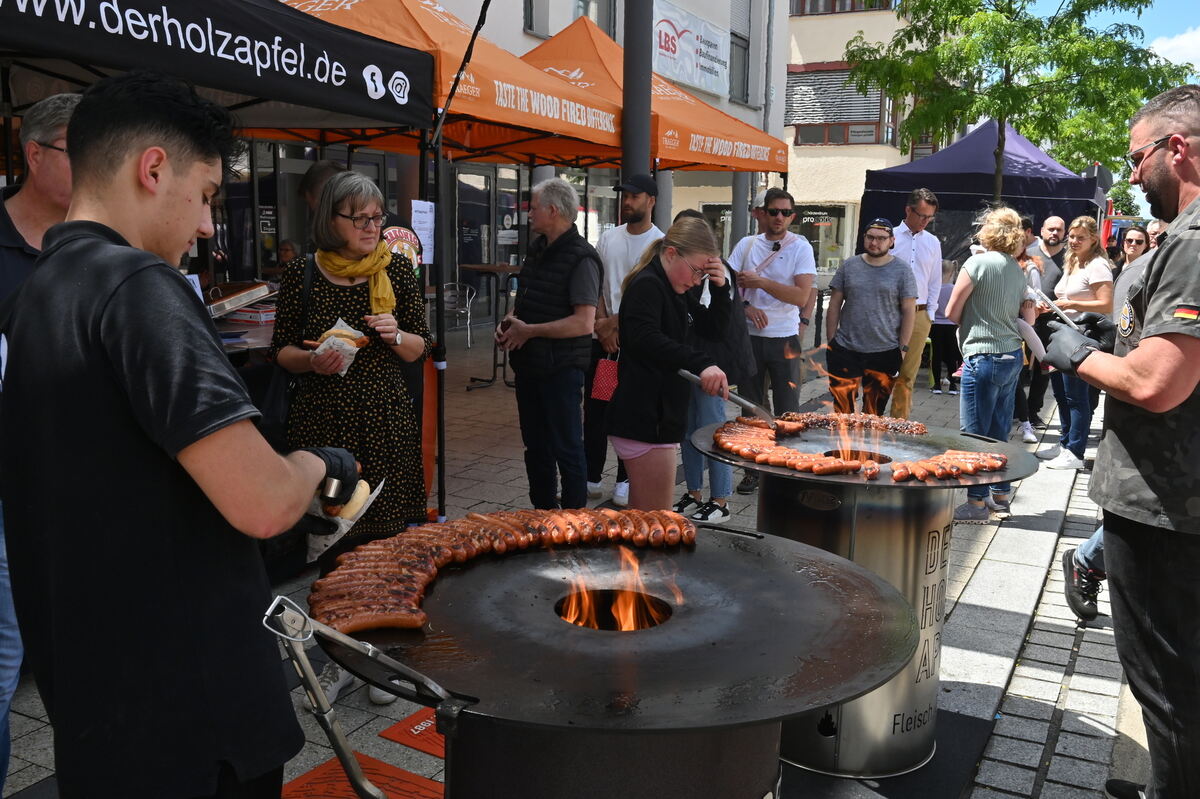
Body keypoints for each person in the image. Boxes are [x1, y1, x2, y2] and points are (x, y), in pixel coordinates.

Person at [0, 71, 366, 799]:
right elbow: (261, 502)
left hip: (100, 711)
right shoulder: (137, 287)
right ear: (152, 169)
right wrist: (317, 462)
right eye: (204, 197)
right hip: (192, 723)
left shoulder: (39, 286)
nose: (206, 226)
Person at [1041, 84, 1200, 799]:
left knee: (1167, 687)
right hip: (1174, 500)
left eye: (1138, 158)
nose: (1132, 175)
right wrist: (1110, 336)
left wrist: (1068, 348)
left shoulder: (1194, 244)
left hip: (1166, 506)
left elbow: (1157, 383)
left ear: (1178, 148)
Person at [269, 171, 432, 705]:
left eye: (376, 217)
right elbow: (283, 352)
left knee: (383, 547)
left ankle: (382, 658)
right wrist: (313, 359)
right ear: (330, 220)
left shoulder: (398, 273)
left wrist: (397, 334)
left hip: (384, 423)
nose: (371, 227)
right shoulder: (302, 275)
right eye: (359, 218)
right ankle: (342, 655)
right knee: (333, 548)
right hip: (321, 429)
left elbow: (419, 347)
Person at [0, 90, 79, 796]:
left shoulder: (92, 246)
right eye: (75, 152)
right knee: (2, 658)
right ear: (35, 153)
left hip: (81, 488)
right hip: (6, 486)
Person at [606, 216, 730, 511]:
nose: (696, 280)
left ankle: (633, 558)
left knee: (645, 520)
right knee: (654, 520)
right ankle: (636, 559)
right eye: (697, 270)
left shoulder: (677, 289)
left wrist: (721, 287)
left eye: (703, 273)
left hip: (659, 418)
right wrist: (702, 364)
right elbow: (645, 339)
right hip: (645, 418)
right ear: (672, 253)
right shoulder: (648, 285)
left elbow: (713, 330)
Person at [498, 177, 600, 511]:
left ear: (553, 211)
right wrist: (511, 323)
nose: (528, 213)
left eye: (533, 207)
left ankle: (575, 522)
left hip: (562, 368)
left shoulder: (582, 257)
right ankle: (543, 516)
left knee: (567, 448)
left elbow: (584, 323)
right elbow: (527, 298)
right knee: (536, 448)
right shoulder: (538, 249)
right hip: (531, 366)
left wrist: (530, 331)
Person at [945, 207, 1036, 521]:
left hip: (982, 353)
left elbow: (951, 312)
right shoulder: (1017, 269)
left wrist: (974, 315)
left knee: (974, 434)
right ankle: (1001, 496)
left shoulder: (976, 263)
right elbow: (1024, 312)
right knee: (999, 431)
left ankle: (976, 502)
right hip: (1012, 354)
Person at [728, 188, 815, 494]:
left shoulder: (800, 247)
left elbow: (801, 295)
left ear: (792, 216)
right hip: (749, 339)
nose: (779, 217)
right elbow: (725, 287)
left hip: (784, 338)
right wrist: (746, 307)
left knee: (788, 409)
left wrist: (760, 282)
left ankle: (786, 469)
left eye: (785, 212)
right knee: (750, 408)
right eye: (774, 211)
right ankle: (752, 468)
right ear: (762, 213)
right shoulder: (746, 245)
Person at [587, 173, 664, 507]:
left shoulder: (661, 244)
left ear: (651, 201)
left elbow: (649, 298)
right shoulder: (608, 238)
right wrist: (602, 324)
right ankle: (590, 476)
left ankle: (624, 478)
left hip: (637, 343)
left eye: (634, 196)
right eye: (624, 195)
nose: (627, 201)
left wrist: (613, 326)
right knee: (596, 409)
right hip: (605, 342)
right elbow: (600, 285)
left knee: (629, 411)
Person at [673, 209, 753, 524]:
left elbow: (716, 323)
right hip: (689, 362)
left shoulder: (716, 270)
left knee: (712, 430)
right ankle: (693, 493)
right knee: (689, 430)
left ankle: (720, 499)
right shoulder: (681, 268)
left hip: (713, 364)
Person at [1035, 216, 1113, 470]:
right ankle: (1065, 441)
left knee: (1076, 397)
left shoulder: (1098, 265)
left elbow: (1106, 304)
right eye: (1073, 236)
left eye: (1081, 237)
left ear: (1093, 239)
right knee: (1060, 393)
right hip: (1063, 333)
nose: (1075, 241)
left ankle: (1075, 452)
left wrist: (1071, 304)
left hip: (1083, 335)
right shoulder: (1072, 261)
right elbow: (1064, 296)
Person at [824, 218, 917, 415]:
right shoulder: (849, 266)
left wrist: (903, 348)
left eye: (881, 238)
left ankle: (866, 447)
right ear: (864, 238)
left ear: (891, 241)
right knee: (842, 411)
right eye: (870, 237)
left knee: (874, 415)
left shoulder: (902, 270)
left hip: (885, 351)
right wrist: (831, 341)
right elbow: (834, 304)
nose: (875, 243)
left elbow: (909, 310)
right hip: (846, 349)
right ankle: (842, 446)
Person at [888, 188, 944, 420]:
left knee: (907, 376)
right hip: (887, 312)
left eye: (929, 217)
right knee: (882, 372)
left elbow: (935, 279)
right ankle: (872, 424)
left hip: (920, 314)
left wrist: (930, 312)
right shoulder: (888, 236)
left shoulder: (932, 242)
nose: (925, 221)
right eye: (921, 215)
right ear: (908, 210)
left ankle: (897, 427)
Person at [1027, 215, 1067, 427]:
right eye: (1051, 229)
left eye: (1059, 230)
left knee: (1044, 369)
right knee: (1020, 366)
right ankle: (1017, 410)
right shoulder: (1028, 255)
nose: (1054, 233)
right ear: (1041, 230)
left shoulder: (1071, 259)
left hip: (1052, 322)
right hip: (1023, 319)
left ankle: (1033, 411)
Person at [930, 260, 962, 395]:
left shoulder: (934, 289)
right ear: (952, 272)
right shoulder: (955, 289)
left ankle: (936, 384)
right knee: (952, 356)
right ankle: (953, 385)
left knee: (936, 355)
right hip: (952, 325)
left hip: (936, 325)